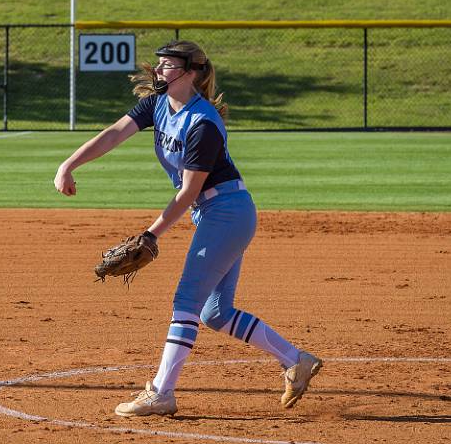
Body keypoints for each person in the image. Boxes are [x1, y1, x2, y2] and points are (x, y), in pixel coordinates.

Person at [54, 40, 322, 417]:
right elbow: (115, 133)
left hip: (226, 213)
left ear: (191, 72)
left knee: (186, 302)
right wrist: (69, 165)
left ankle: (161, 393)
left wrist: (151, 234)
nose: (159, 71)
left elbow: (189, 191)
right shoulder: (158, 104)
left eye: (168, 65)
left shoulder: (203, 123)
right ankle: (296, 360)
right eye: (160, 64)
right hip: (217, 214)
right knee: (215, 313)